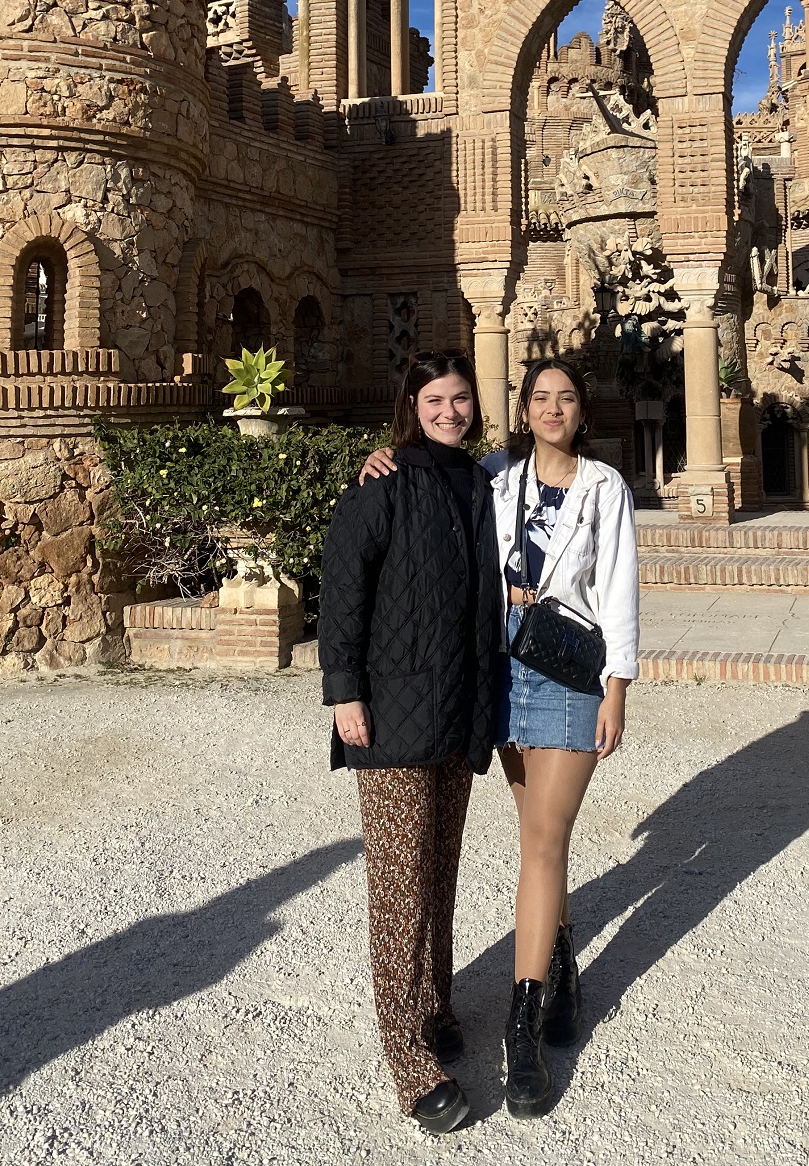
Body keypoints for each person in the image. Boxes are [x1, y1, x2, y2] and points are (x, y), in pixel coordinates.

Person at [360, 355, 639, 1119]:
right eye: (540, 397)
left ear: (583, 411)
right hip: (505, 675)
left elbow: (618, 590)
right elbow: (428, 466)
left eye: (567, 398)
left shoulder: (604, 487)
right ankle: (560, 961)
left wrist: (619, 686)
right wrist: (377, 456)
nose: (553, 409)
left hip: (573, 677)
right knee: (536, 835)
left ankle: (522, 1033)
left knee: (545, 839)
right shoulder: (493, 475)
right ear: (521, 411)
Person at [318, 350, 504, 1135]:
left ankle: (434, 1004)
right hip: (391, 711)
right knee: (398, 885)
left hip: (457, 706)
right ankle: (405, 1056)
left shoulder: (485, 483)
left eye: (460, 399)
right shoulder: (383, 482)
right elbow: (343, 589)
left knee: (439, 868)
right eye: (436, 399)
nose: (450, 411)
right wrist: (343, 693)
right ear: (412, 404)